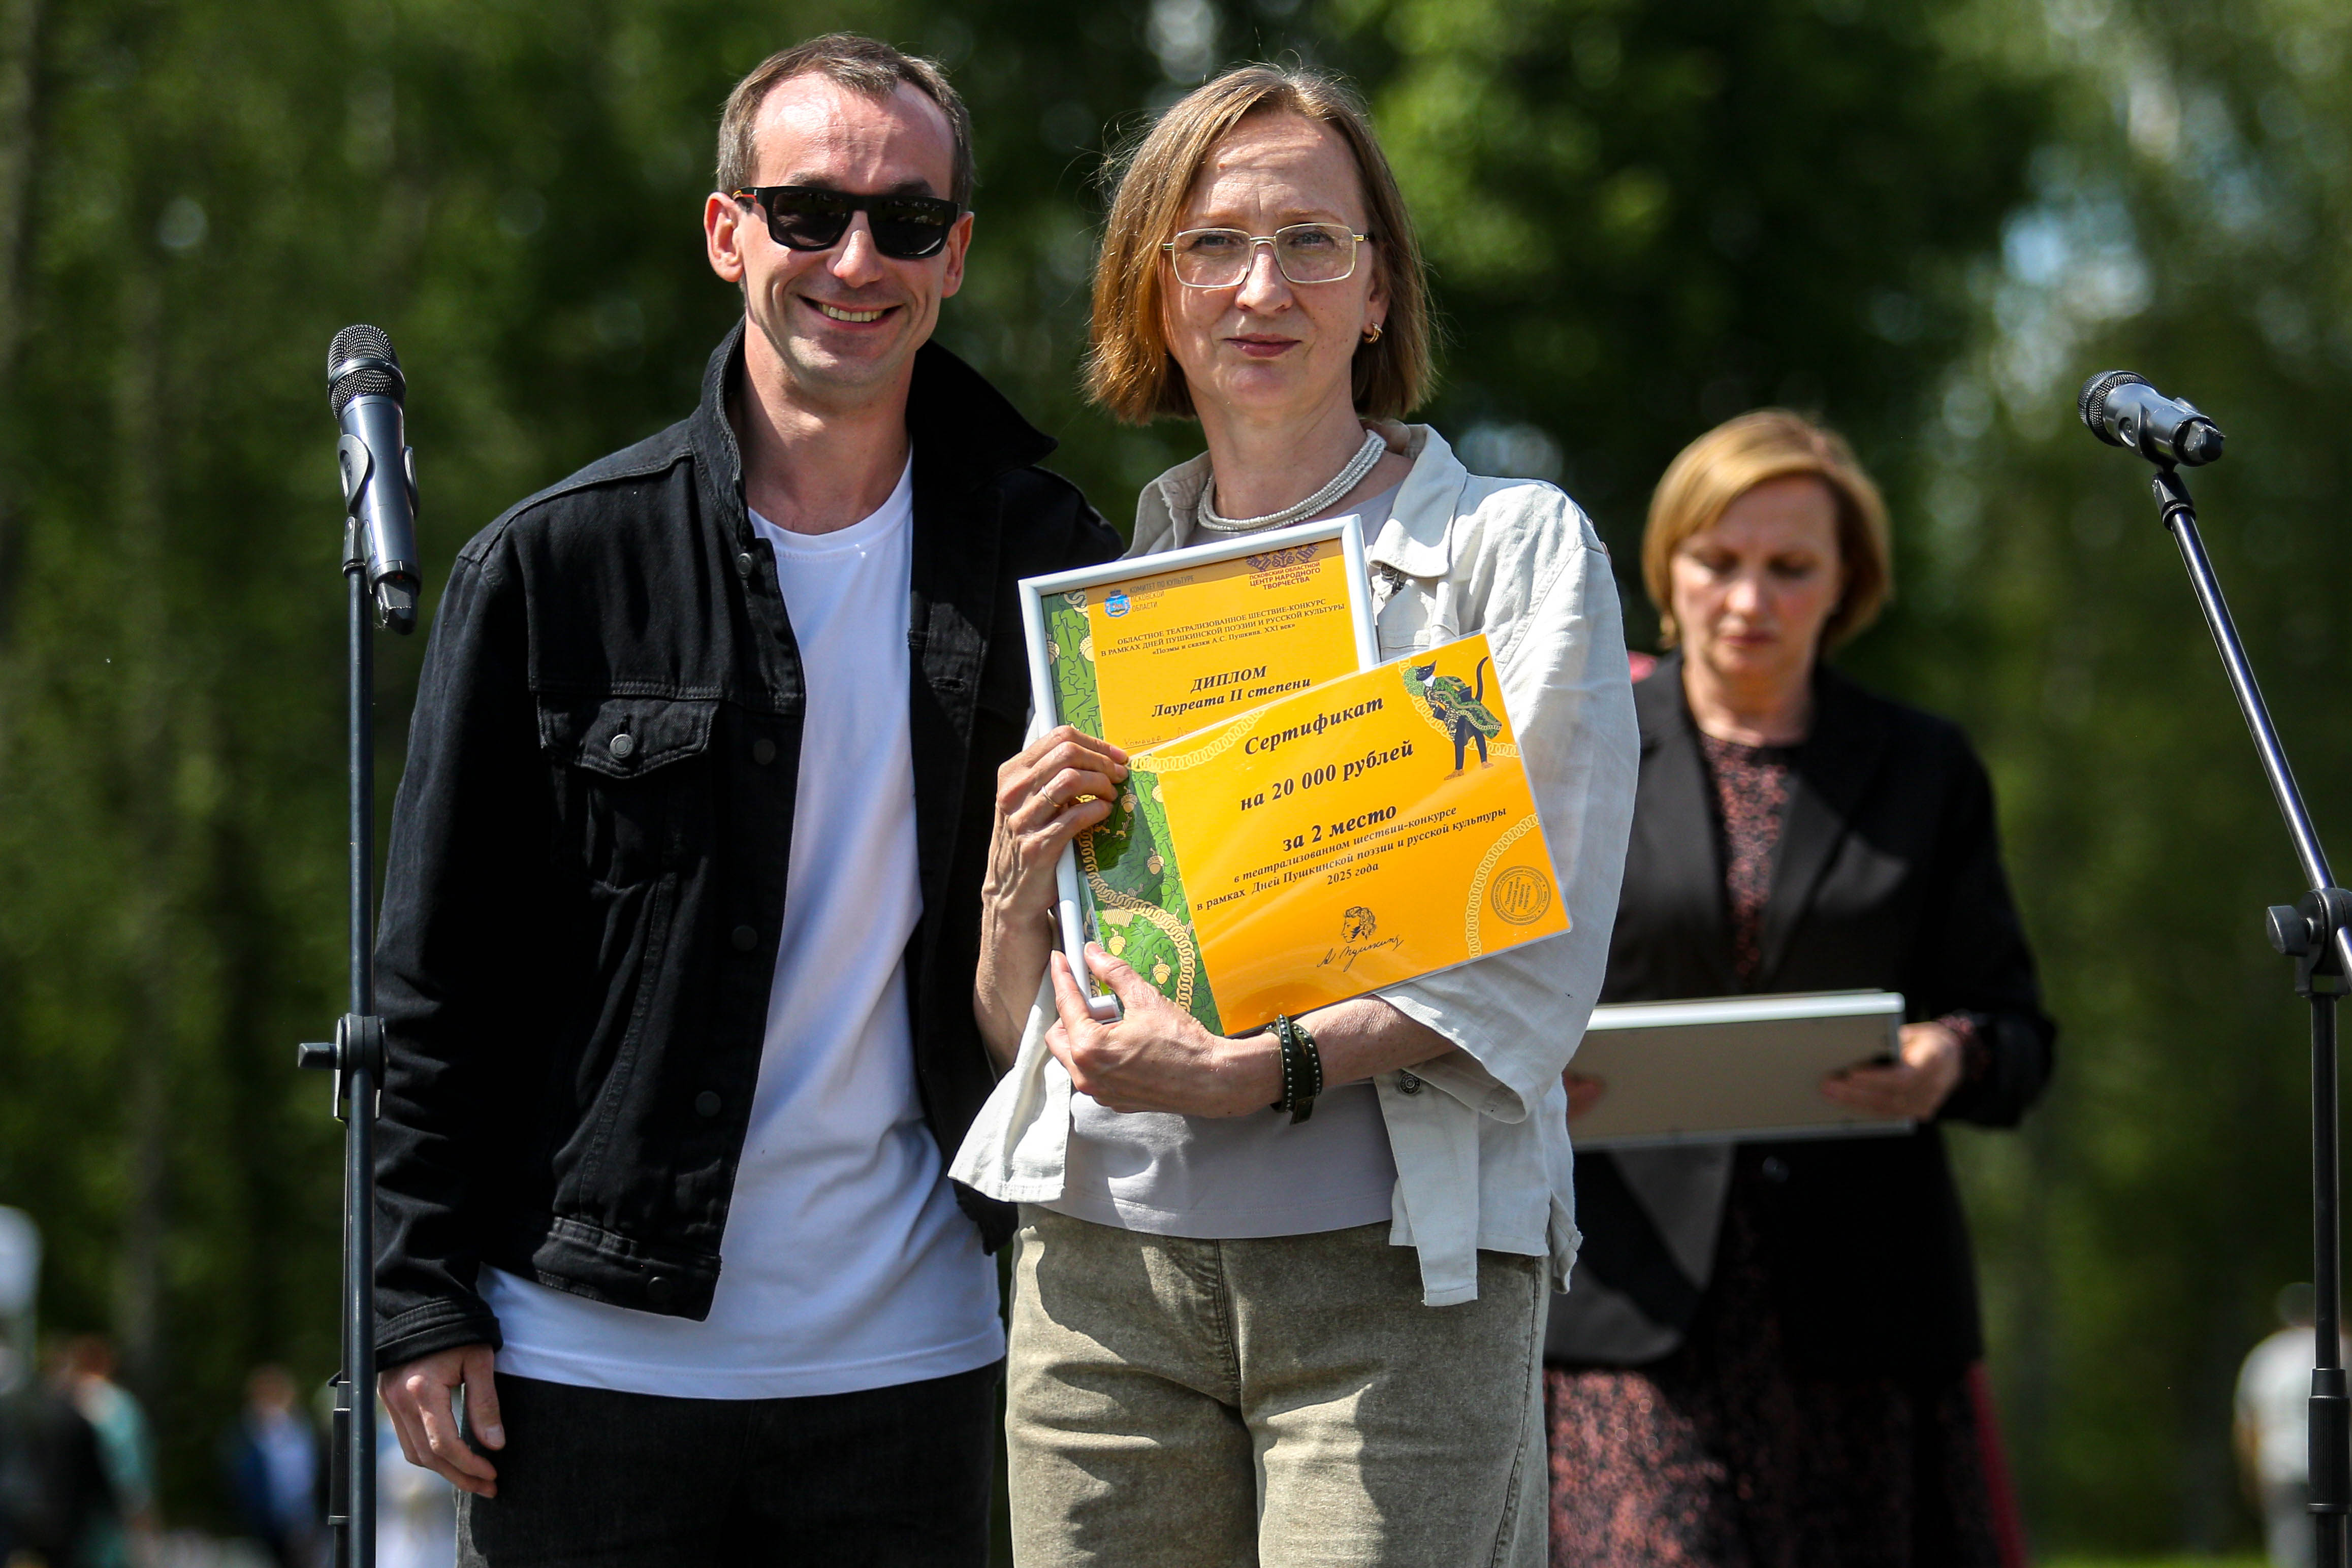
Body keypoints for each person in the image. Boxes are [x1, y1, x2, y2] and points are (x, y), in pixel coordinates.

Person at [369, 33, 1118, 1567]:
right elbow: (436, 977)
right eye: (808, 212)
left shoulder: (1055, 561)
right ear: (728, 232)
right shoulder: (551, 569)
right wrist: (417, 1298)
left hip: (915, 1355)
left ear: (957, 255)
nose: (855, 259)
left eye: (906, 221)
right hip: (583, 1363)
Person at [952, 65, 1639, 1566]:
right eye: (1212, 243)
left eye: (1311, 241)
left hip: (1392, 1285)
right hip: (1098, 1283)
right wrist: (1012, 891)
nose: (1260, 287)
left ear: (1379, 291)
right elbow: (1027, 1038)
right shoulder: (1105, 601)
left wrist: (1242, 1076)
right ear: (1154, 290)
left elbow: (1531, 957)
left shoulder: (1511, 551)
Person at [1544, 409, 2055, 1566]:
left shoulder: (1925, 767)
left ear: (1846, 584)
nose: (1748, 599)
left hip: (1865, 1313)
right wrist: (1522, 1070)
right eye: (1717, 560)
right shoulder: (1572, 747)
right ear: (1666, 569)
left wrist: (1950, 1059)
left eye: (1789, 567)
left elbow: (2019, 1032)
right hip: (1623, 1301)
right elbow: (1470, 987)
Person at [2238, 1283, 2337, 1568]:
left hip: (2280, 1466)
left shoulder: (2265, 1356)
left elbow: (2249, 1424)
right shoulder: (2341, 1349)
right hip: (2334, 1465)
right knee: (2339, 1548)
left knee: (2291, 1551)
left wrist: (2250, 1472)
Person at [57, 1336, 156, 1568]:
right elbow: (132, 1470)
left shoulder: (63, 1404)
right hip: (111, 1512)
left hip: (71, 1517)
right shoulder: (120, 1406)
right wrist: (142, 1516)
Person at [222, 1365, 322, 1568]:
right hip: (262, 1526)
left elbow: (310, 1474)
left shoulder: (302, 1431)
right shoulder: (245, 1437)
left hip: (303, 1523)